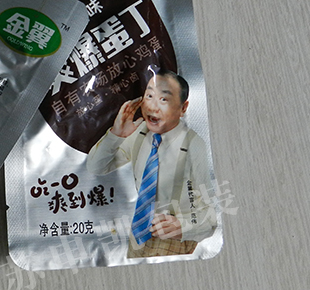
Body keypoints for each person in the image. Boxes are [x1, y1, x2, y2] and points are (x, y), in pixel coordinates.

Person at [86, 67, 216, 258]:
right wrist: (116, 134)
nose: (153, 107)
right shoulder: (139, 131)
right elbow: (96, 167)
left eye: (164, 99)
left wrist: (183, 227)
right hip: (138, 234)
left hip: (174, 238)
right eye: (149, 96)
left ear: (183, 108)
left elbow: (211, 214)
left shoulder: (194, 144)